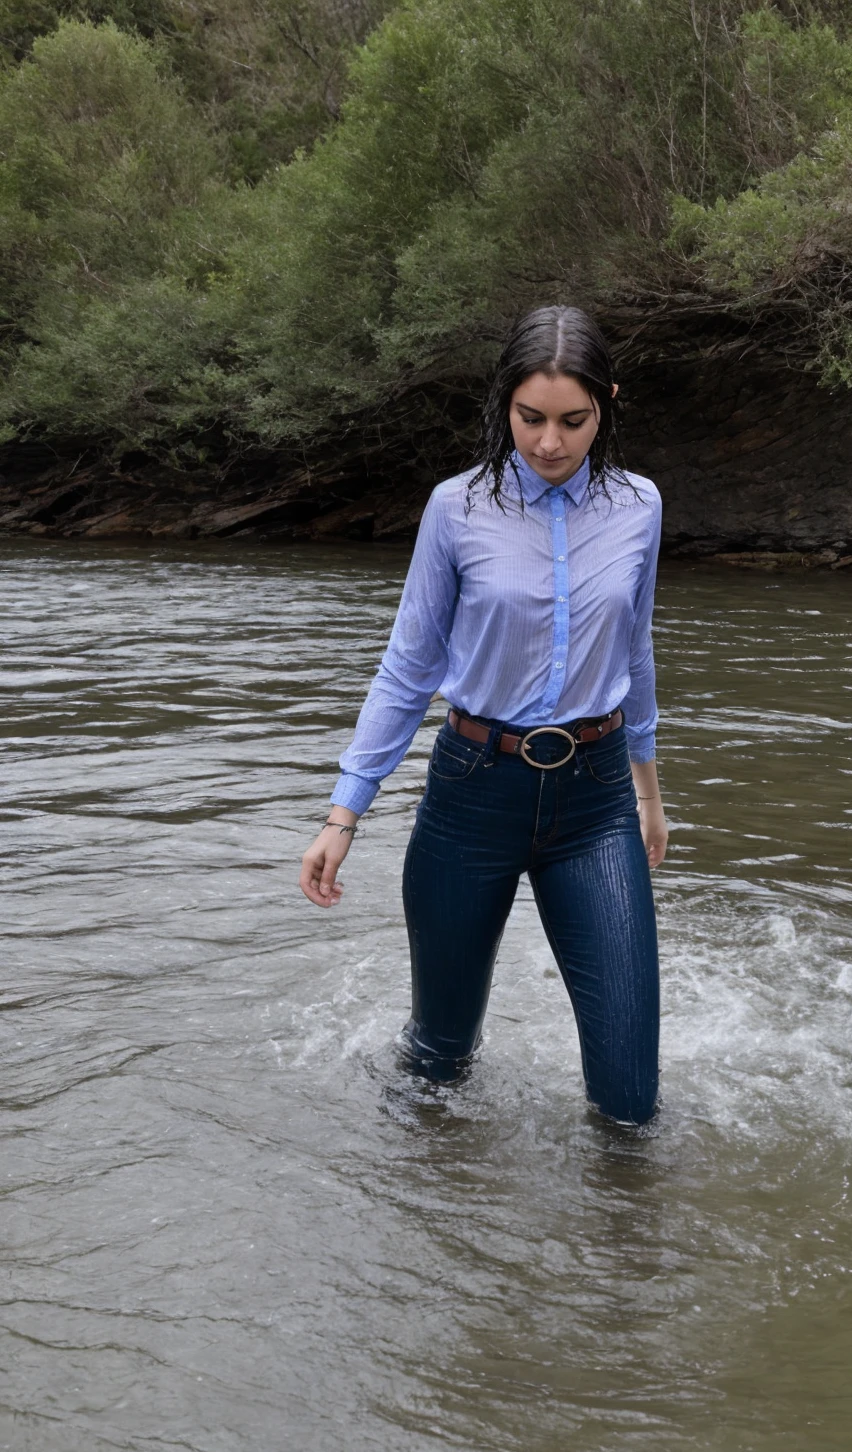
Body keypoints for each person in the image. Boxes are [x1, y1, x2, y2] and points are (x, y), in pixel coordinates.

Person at [299, 305, 667, 1124]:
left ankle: (624, 1246)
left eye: (574, 421)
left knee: (630, 1099)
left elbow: (634, 652)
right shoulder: (455, 508)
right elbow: (410, 664)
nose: (549, 443)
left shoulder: (639, 505)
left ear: (605, 405)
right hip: (471, 796)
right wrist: (343, 811)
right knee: (439, 1063)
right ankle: (431, 1228)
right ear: (504, 403)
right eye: (530, 418)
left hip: (597, 801)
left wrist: (648, 792)